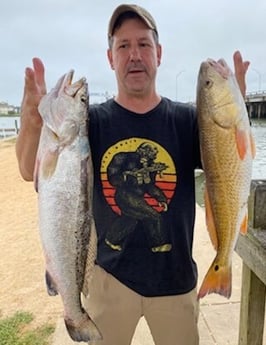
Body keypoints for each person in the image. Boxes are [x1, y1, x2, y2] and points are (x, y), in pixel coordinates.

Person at [16, 4, 250, 345]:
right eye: (123, 46)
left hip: (176, 281)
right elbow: (27, 170)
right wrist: (33, 119)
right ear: (110, 58)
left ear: (159, 53)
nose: (134, 55)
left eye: (144, 44)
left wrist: (235, 107)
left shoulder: (187, 120)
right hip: (109, 280)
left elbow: (227, 168)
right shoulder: (90, 123)